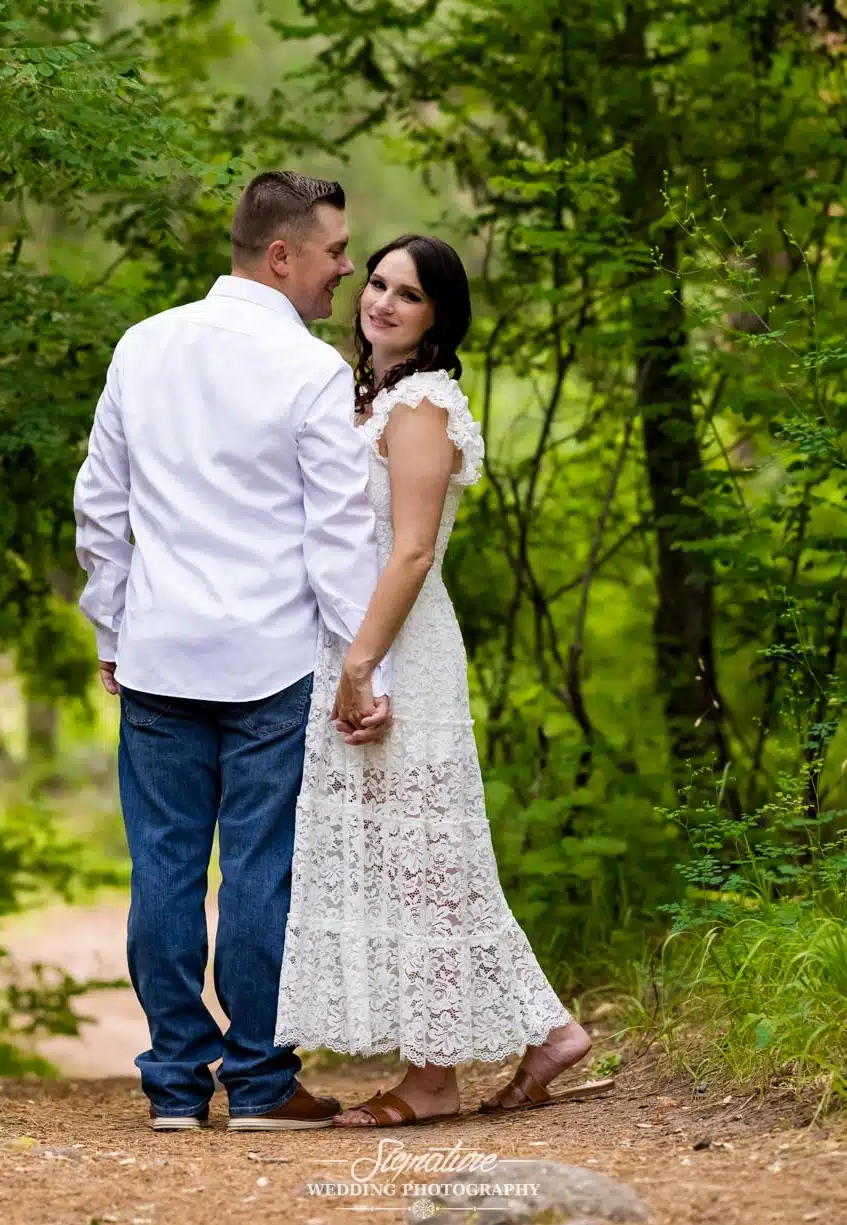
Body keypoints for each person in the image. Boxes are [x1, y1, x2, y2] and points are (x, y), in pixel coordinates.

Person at [72, 171, 392, 1133]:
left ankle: (176, 1082)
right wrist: (358, 663)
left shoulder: (144, 344)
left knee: (163, 866)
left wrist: (112, 627)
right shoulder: (310, 371)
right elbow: (337, 536)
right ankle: (256, 1083)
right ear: (282, 255)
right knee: (260, 870)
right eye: (336, 252)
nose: (347, 270)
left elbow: (102, 505)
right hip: (270, 661)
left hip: (162, 650)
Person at [273, 234, 612, 1126]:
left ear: (438, 316)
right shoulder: (369, 393)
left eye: (407, 294)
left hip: (399, 646)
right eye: (376, 283)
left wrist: (361, 661)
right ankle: (545, 1030)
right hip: (360, 639)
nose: (380, 301)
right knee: (413, 857)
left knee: (425, 854)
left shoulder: (421, 404)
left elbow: (414, 548)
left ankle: (434, 1079)